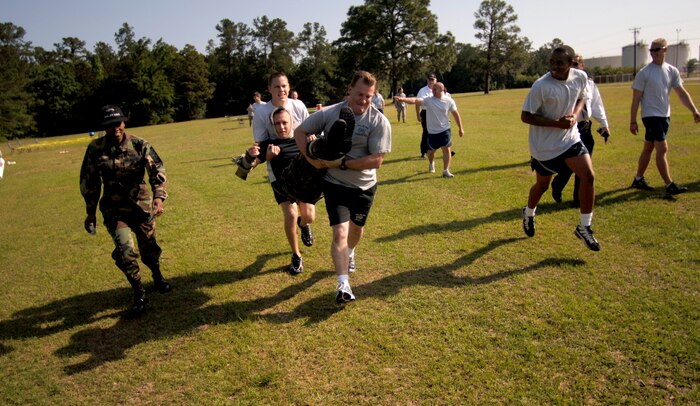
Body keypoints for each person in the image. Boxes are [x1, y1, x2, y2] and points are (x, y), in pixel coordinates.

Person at [295, 70, 392, 304]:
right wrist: (311, 160)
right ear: (349, 90)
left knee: (356, 230)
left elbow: (376, 160)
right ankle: (343, 284)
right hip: (335, 184)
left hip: (365, 186)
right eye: (359, 94)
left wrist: (342, 163)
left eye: (369, 96)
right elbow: (300, 132)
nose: (364, 100)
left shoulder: (378, 120)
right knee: (340, 231)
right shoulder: (330, 113)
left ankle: (350, 252)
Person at [80, 105, 171, 316]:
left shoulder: (139, 145)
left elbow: (157, 170)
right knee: (125, 252)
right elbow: (90, 182)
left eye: (117, 123)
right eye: (109, 125)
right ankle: (139, 291)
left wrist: (158, 198)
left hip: (141, 207)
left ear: (124, 123)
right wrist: (90, 212)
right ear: (104, 128)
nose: (115, 128)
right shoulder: (95, 149)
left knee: (149, 248)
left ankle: (157, 274)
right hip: (114, 210)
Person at [520, 45, 601, 252]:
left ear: (570, 63)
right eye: (552, 63)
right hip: (544, 147)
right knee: (542, 186)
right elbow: (526, 116)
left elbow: (583, 96)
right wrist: (556, 123)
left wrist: (575, 114)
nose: (554, 67)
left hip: (570, 139)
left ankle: (585, 226)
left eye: (560, 63)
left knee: (588, 176)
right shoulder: (541, 86)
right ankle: (529, 212)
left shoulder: (580, 77)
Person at [252, 73, 315, 274]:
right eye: (277, 86)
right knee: (290, 212)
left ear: (289, 87)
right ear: (269, 89)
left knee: (308, 216)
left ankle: (304, 225)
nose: (282, 90)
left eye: (284, 86)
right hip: (278, 169)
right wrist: (263, 156)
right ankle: (296, 255)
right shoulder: (261, 112)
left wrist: (312, 137)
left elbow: (310, 131)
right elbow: (261, 144)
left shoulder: (298, 106)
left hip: (302, 169)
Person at [630, 37, 700, 195]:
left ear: (665, 50)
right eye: (651, 50)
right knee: (662, 148)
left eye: (657, 50)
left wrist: (694, 110)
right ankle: (669, 185)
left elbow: (682, 93)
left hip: (664, 116)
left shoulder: (672, 70)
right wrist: (633, 121)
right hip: (651, 116)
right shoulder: (644, 73)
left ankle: (638, 179)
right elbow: (636, 99)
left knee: (648, 148)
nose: (653, 53)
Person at [551, 54, 610, 206]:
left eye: (576, 64)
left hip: (585, 128)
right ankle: (558, 184)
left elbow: (597, 105)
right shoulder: (564, 84)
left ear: (582, 66)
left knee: (585, 165)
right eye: (571, 64)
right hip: (569, 130)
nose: (574, 67)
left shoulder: (589, 84)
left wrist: (604, 124)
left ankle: (579, 199)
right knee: (568, 165)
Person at [395, 82, 464, 178]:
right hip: (432, 132)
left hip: (445, 130)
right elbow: (415, 100)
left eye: (435, 89)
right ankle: (431, 163)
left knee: (447, 150)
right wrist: (403, 99)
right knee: (431, 152)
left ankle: (446, 170)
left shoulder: (449, 101)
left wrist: (461, 128)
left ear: (441, 90)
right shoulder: (429, 100)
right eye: (433, 88)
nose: (432, 90)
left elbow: (456, 114)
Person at [416, 73, 437, 157]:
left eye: (432, 79)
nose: (431, 81)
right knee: (426, 132)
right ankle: (424, 151)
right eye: (429, 79)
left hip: (436, 114)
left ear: (436, 80)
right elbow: (417, 103)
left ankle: (445, 149)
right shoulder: (422, 90)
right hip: (426, 113)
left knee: (439, 131)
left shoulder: (440, 89)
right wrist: (418, 115)